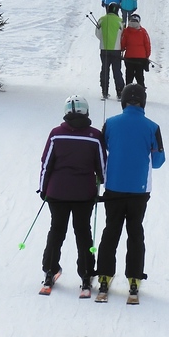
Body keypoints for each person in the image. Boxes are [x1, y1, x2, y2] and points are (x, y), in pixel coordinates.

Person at [95, 83, 165, 302]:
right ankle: (134, 279)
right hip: (139, 190)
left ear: (123, 101)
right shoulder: (152, 126)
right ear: (142, 102)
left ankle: (105, 276)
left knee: (111, 230)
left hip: (113, 187)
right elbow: (158, 162)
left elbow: (101, 150)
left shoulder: (110, 123)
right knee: (135, 232)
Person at [38, 95, 106, 298]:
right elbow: (102, 165)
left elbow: (46, 163)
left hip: (57, 192)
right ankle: (86, 274)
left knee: (56, 230)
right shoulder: (94, 136)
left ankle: (50, 271)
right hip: (84, 193)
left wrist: (43, 189)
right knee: (83, 232)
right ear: (86, 112)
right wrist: (101, 182)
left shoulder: (56, 134)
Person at [96, 3, 125, 98]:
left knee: (105, 70)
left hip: (104, 49)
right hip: (116, 50)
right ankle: (120, 92)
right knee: (117, 71)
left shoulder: (101, 20)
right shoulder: (120, 21)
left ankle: (104, 91)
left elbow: (97, 34)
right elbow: (123, 35)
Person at [120, 14, 151, 87]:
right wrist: (147, 55)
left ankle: (127, 90)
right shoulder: (143, 31)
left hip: (129, 56)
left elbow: (122, 43)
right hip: (141, 57)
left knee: (129, 75)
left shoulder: (126, 31)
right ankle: (141, 90)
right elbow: (147, 44)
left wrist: (122, 49)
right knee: (139, 75)